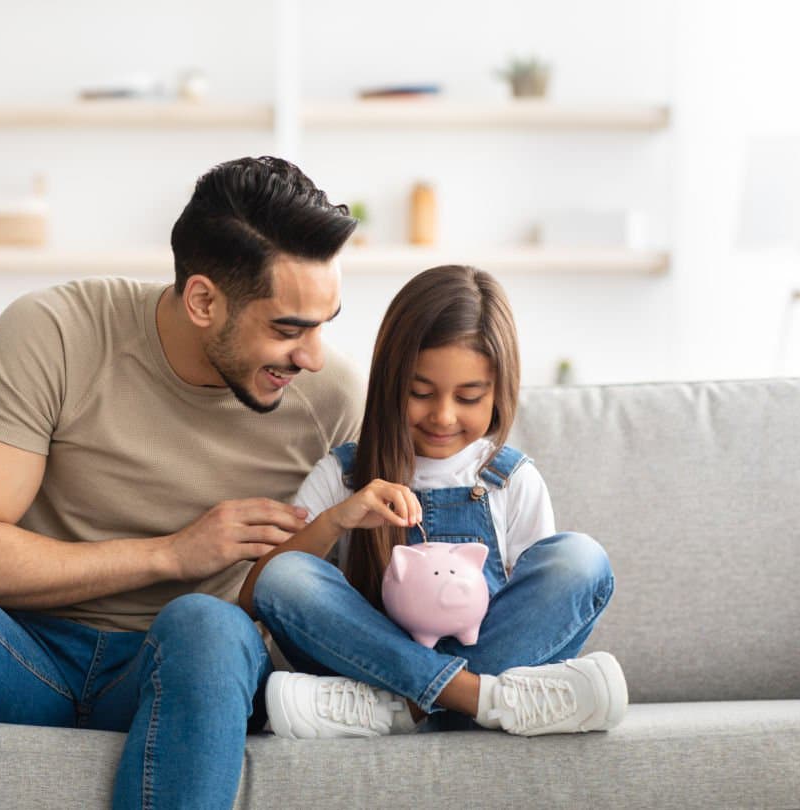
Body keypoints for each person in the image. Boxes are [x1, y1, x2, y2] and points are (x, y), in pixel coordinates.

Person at [0, 156, 364, 809]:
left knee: (211, 626)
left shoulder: (334, 398)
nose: (312, 356)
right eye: (288, 329)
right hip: (23, 650)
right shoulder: (56, 334)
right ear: (204, 299)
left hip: (179, 665)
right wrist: (171, 553)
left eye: (325, 323)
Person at [239, 265, 628, 739]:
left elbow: (536, 615)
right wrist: (338, 521)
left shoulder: (512, 480)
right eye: (420, 393)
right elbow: (258, 594)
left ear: (498, 394)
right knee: (288, 573)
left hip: (393, 681)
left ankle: (399, 709)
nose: (443, 416)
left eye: (468, 397)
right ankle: (476, 701)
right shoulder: (344, 474)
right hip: (369, 661)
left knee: (579, 559)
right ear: (390, 384)